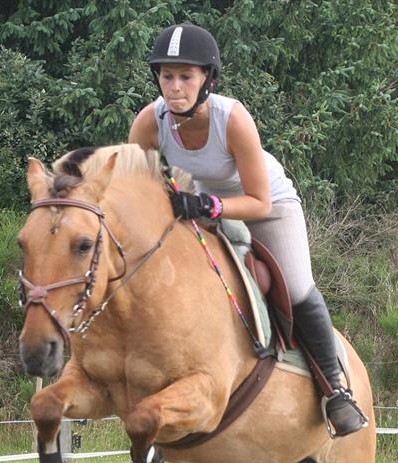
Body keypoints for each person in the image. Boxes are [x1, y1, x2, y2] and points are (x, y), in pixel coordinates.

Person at [128, 22, 368, 437]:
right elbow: (136, 184)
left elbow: (259, 201)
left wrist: (207, 205)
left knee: (294, 287)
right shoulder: (151, 121)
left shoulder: (232, 118)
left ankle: (336, 390)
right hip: (204, 205)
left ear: (208, 79)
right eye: (167, 76)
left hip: (266, 205)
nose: (175, 87)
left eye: (186, 76)